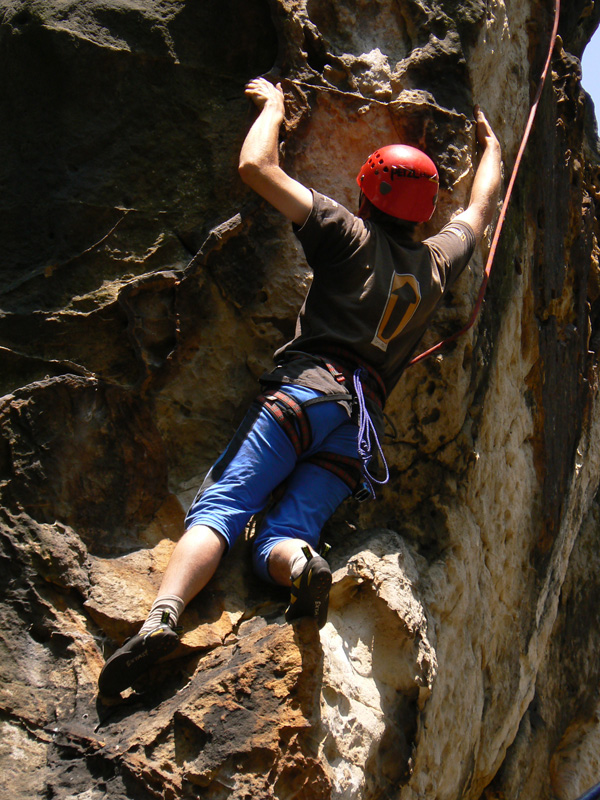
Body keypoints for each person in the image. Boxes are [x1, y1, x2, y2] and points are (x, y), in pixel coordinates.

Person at [98, 77, 502, 697]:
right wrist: (493, 148)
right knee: (283, 538)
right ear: (424, 212)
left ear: (369, 191)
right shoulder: (439, 262)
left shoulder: (346, 234)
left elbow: (255, 168)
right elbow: (479, 210)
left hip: (304, 394)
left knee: (224, 509)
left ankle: (163, 617)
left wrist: (275, 106)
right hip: (358, 432)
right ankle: (302, 565)